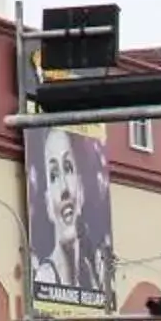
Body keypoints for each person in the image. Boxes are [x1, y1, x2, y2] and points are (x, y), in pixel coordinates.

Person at [27, 128, 115, 301]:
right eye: (53, 176)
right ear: (47, 203)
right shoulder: (45, 279)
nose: (64, 189)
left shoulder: (94, 273)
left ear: (81, 190)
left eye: (68, 168)